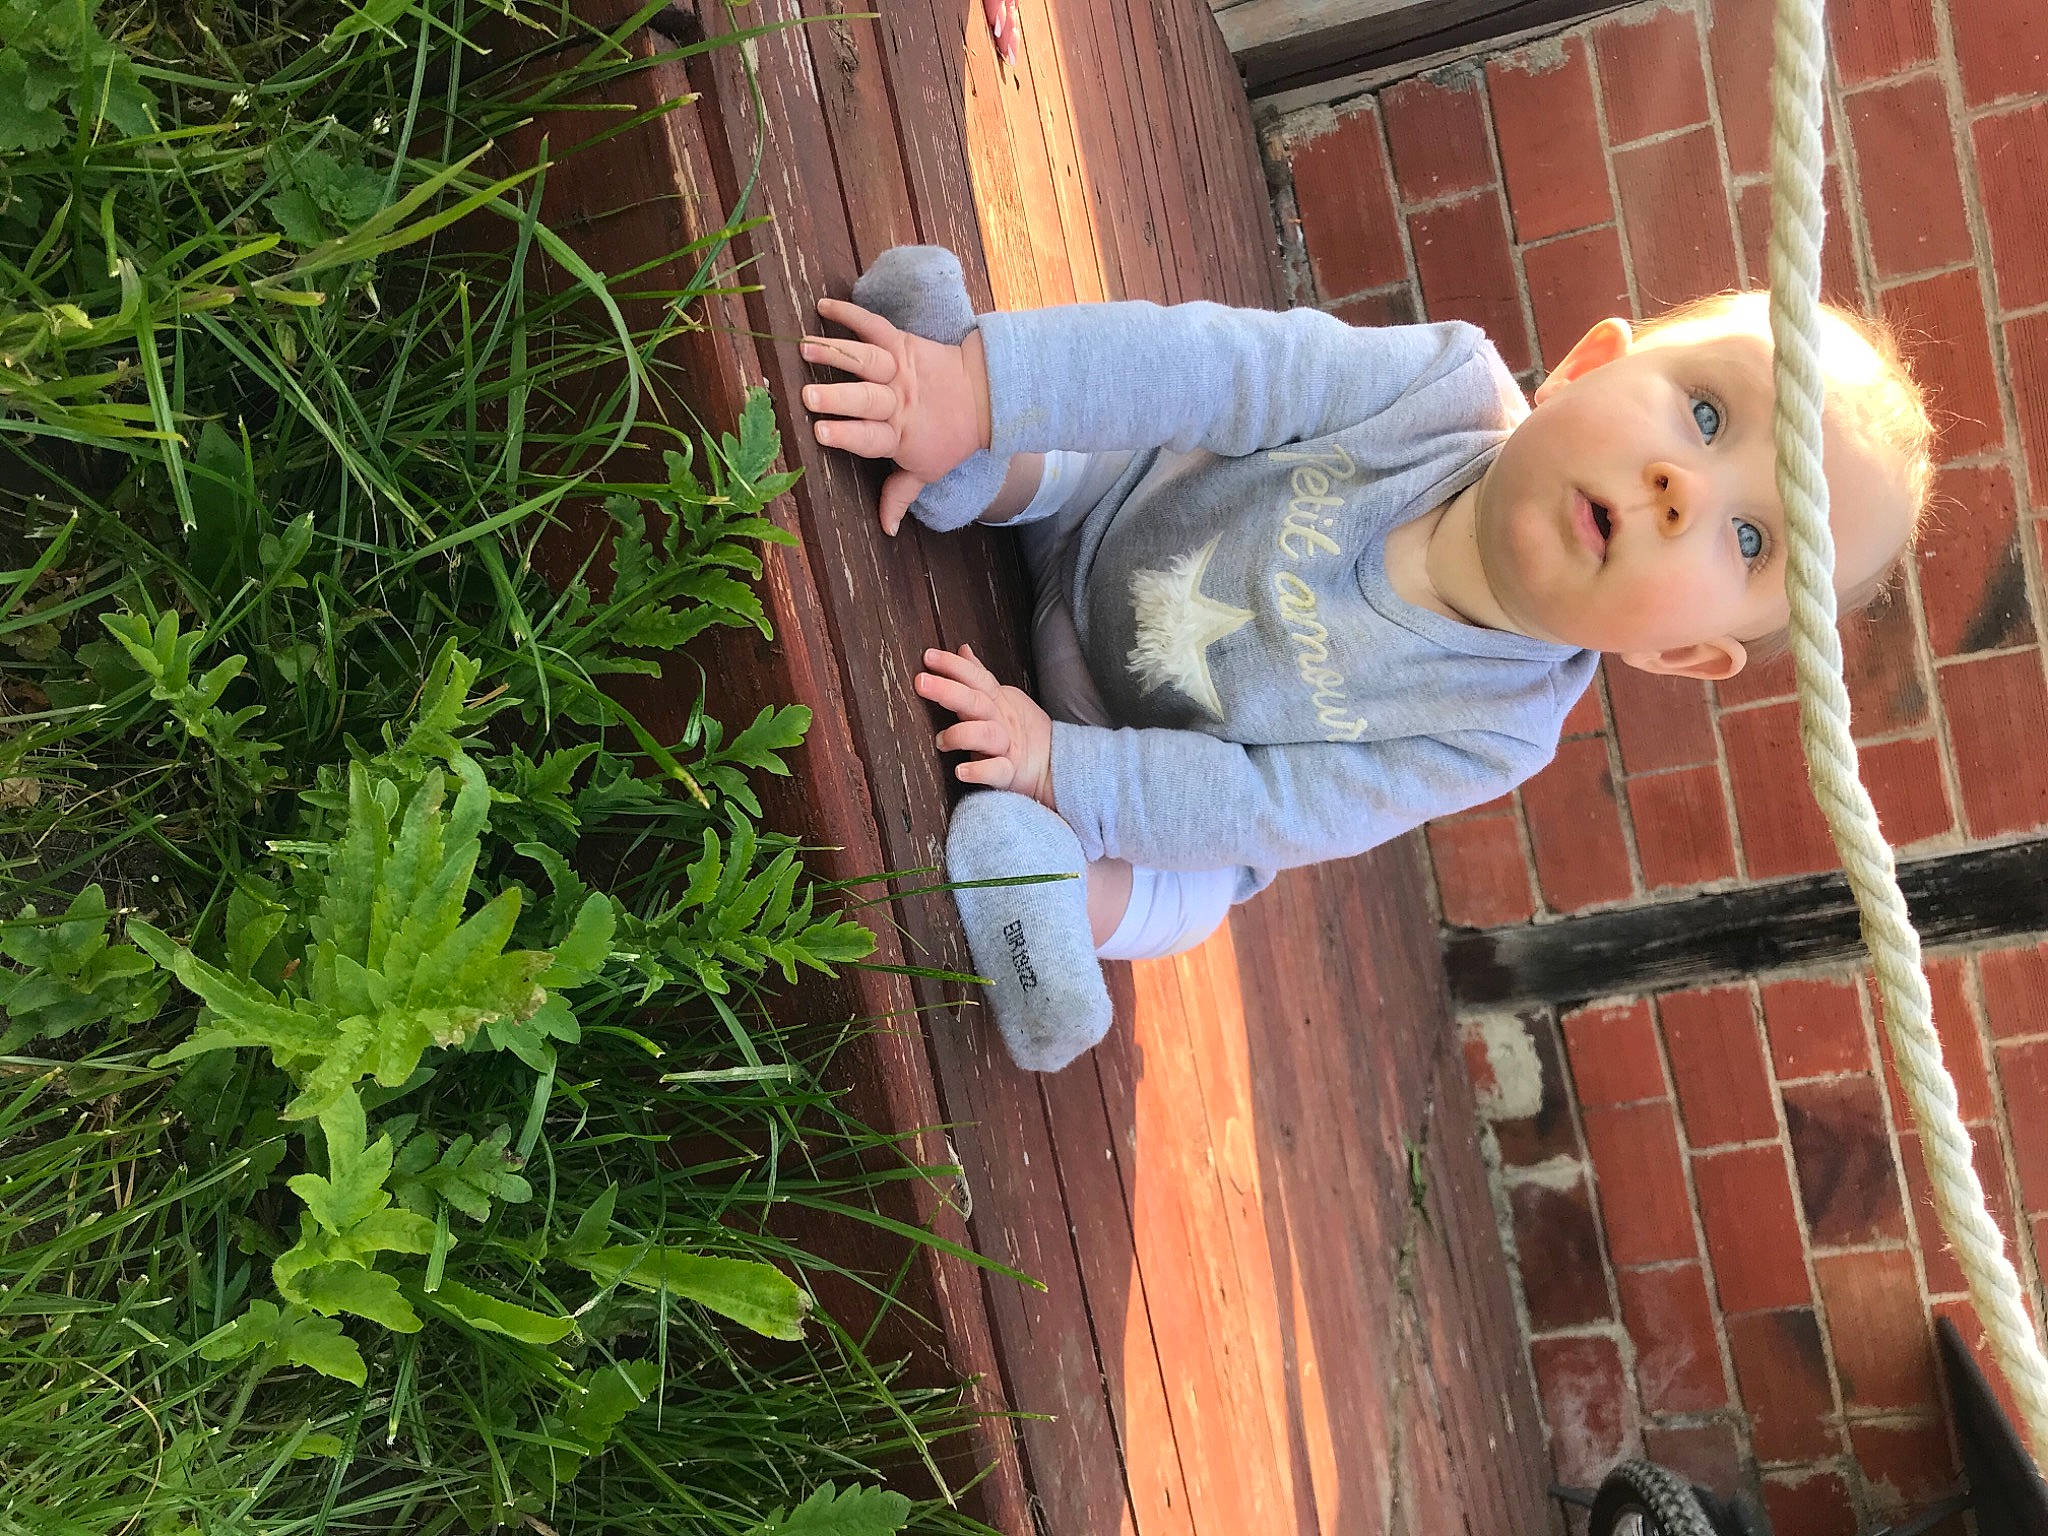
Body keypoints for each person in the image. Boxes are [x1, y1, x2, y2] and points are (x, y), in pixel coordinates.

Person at [800, 247, 1932, 1073]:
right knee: (1111, 440)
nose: (1684, 490)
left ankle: (1047, 893)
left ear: (1675, 651)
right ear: (1585, 366)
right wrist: (984, 385)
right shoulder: (1432, 388)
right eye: (1703, 412)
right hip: (1111, 520)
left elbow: (1268, 803)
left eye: (1749, 538)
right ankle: (964, 447)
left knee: (1193, 896)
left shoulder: (1492, 729)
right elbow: (1213, 368)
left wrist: (1059, 768)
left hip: (1143, 771)